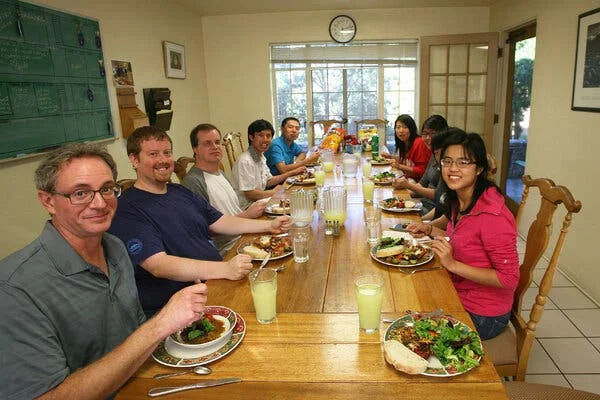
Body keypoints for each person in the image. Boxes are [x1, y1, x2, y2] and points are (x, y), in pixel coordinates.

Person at [0, 143, 207, 399]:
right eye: (80, 193)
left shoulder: (116, 248)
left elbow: (134, 333)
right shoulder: (13, 289)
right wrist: (161, 323)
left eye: (107, 189)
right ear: (48, 201)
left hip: (149, 383)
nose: (99, 203)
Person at [109, 126, 291, 316]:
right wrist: (225, 269)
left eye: (167, 152)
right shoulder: (127, 209)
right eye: (153, 154)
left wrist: (269, 225)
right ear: (134, 159)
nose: (163, 160)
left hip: (218, 280)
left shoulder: (178, 191)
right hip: (185, 304)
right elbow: (158, 265)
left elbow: (220, 221)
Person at [408, 130, 519, 340]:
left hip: (484, 314)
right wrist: (430, 229)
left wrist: (452, 264)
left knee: (411, 335)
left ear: (479, 168)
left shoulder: (493, 216)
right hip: (458, 291)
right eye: (447, 161)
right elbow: (460, 238)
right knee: (406, 295)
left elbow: (509, 279)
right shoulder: (461, 199)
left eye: (463, 162)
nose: (453, 169)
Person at [182, 123, 266, 255]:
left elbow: (232, 212)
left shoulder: (220, 173)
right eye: (207, 143)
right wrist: (247, 214)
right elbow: (203, 231)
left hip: (243, 234)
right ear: (195, 149)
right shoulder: (194, 182)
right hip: (228, 249)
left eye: (217, 142)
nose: (215, 147)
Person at [232, 119, 305, 209]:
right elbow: (250, 194)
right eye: (261, 135)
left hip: (259, 201)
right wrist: (273, 192)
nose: (265, 140)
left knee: (299, 198)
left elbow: (269, 181)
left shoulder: (261, 156)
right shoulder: (245, 160)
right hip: (248, 207)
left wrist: (292, 173)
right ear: (251, 137)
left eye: (268, 136)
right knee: (296, 206)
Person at [392, 115, 448, 214]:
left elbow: (438, 195)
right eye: (425, 134)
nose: (428, 138)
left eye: (433, 134)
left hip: (431, 210)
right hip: (422, 204)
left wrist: (408, 185)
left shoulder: (446, 160)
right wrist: (400, 195)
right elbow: (422, 183)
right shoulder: (434, 155)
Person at [381, 114, 431, 180]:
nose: (401, 131)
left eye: (405, 127)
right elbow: (406, 162)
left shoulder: (419, 142)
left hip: (420, 183)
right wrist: (390, 156)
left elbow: (422, 171)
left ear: (411, 129)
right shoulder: (404, 142)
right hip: (410, 179)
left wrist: (399, 166)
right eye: (398, 127)